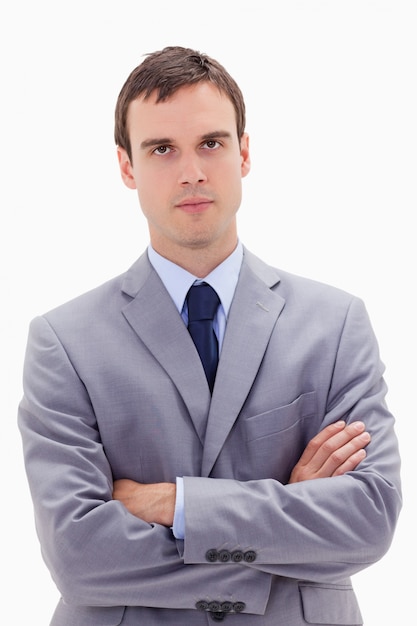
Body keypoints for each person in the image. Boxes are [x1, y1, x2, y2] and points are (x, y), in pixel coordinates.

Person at [18, 46, 401, 625]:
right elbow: (78, 558)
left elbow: (367, 521)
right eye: (162, 149)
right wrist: (290, 524)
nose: (192, 171)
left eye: (212, 144)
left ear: (244, 152)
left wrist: (174, 503)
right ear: (127, 166)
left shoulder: (336, 324)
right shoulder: (63, 343)